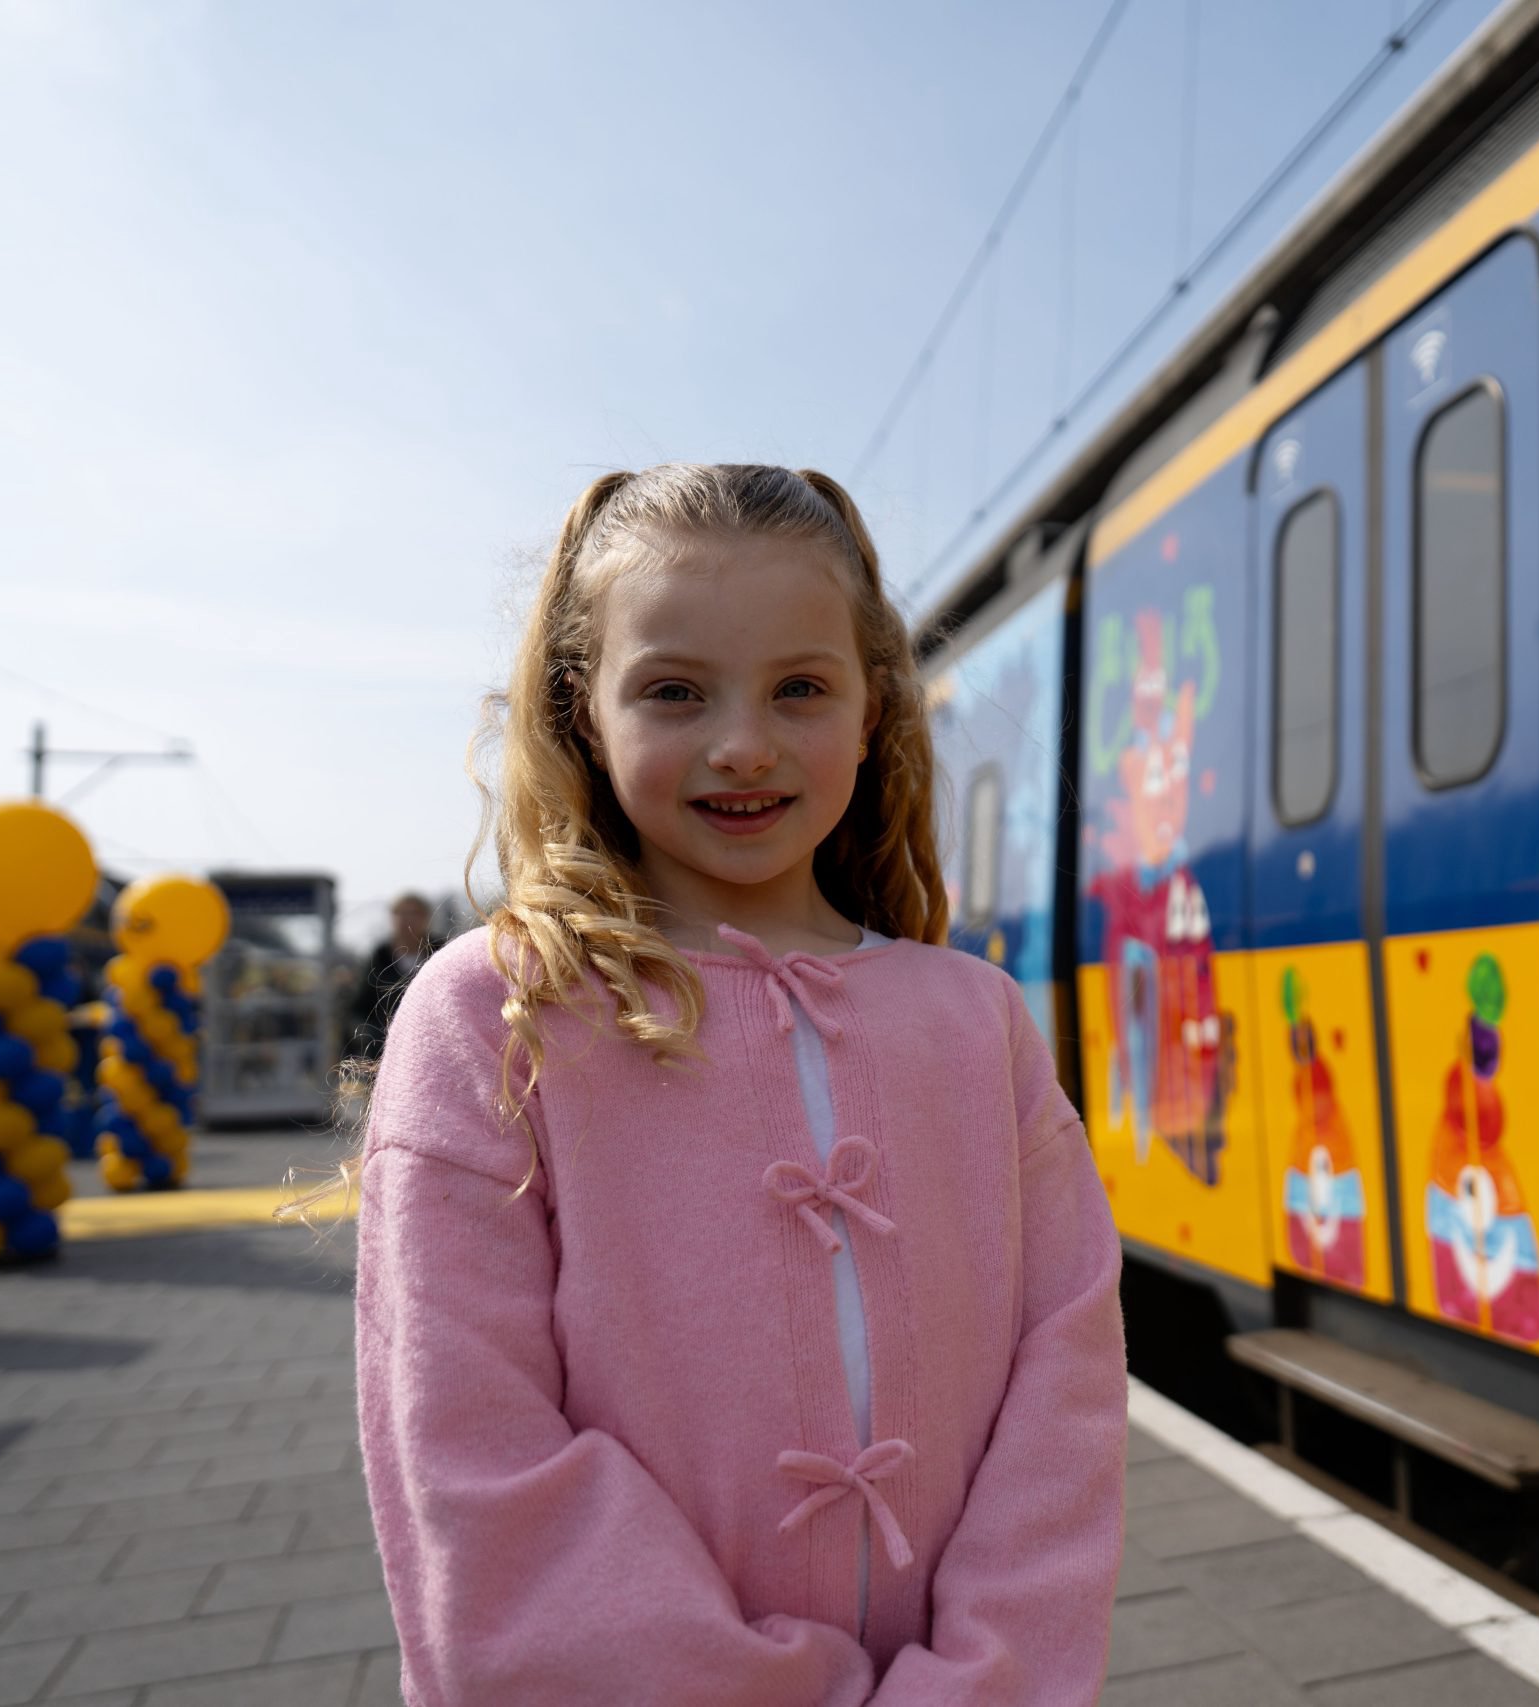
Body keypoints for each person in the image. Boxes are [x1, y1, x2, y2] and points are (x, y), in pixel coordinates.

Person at [352, 464, 1125, 1704]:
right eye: (671, 691)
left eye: (801, 688)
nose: (743, 744)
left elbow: (1067, 1391)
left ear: (874, 707)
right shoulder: (494, 1015)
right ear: (580, 712)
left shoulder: (975, 1022)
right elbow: (467, 1454)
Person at [344, 892, 434, 1060]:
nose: (407, 919)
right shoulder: (380, 957)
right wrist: (369, 1035)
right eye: (401, 913)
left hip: (434, 1043)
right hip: (386, 1048)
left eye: (414, 913)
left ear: (426, 918)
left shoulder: (441, 952)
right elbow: (360, 1006)